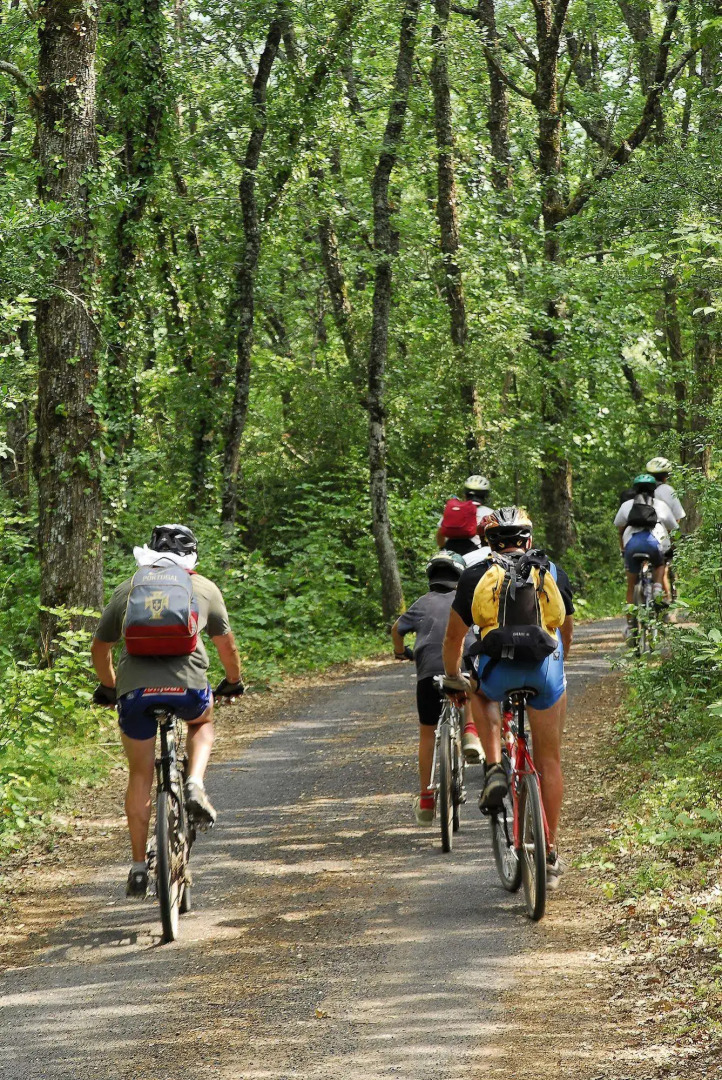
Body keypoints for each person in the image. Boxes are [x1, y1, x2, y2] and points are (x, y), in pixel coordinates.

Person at [91, 524, 244, 897]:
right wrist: (233, 681)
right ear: (191, 555)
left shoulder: (129, 588)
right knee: (202, 721)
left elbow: (100, 648)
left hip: (135, 694)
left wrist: (111, 687)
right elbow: (227, 648)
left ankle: (139, 868)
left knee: (140, 773)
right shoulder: (203, 587)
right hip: (188, 689)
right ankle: (193, 783)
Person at [441, 507, 574, 888]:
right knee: (549, 760)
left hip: (498, 672)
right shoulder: (552, 572)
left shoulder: (474, 575)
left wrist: (455, 677)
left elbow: (453, 638)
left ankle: (495, 765)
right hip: (544, 673)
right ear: (528, 539)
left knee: (479, 694)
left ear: (487, 542)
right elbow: (565, 630)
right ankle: (548, 855)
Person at [390, 551, 478, 826]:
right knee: (474, 683)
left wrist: (400, 651)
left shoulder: (421, 603)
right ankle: (471, 733)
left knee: (427, 732)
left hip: (427, 673)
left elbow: (397, 629)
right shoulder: (467, 601)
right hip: (461, 665)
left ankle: (426, 798)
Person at [614, 474, 678, 622]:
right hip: (653, 544)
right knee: (660, 564)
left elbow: (619, 527)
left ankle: (631, 626)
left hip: (631, 546)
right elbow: (674, 527)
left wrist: (623, 549)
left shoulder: (627, 505)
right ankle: (656, 588)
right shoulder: (661, 505)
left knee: (631, 586)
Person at [435, 475, 493, 558]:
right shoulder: (489, 513)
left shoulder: (455, 509)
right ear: (485, 495)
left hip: (450, 552)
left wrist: (442, 548)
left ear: (465, 494)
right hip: (476, 554)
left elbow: (440, 534)